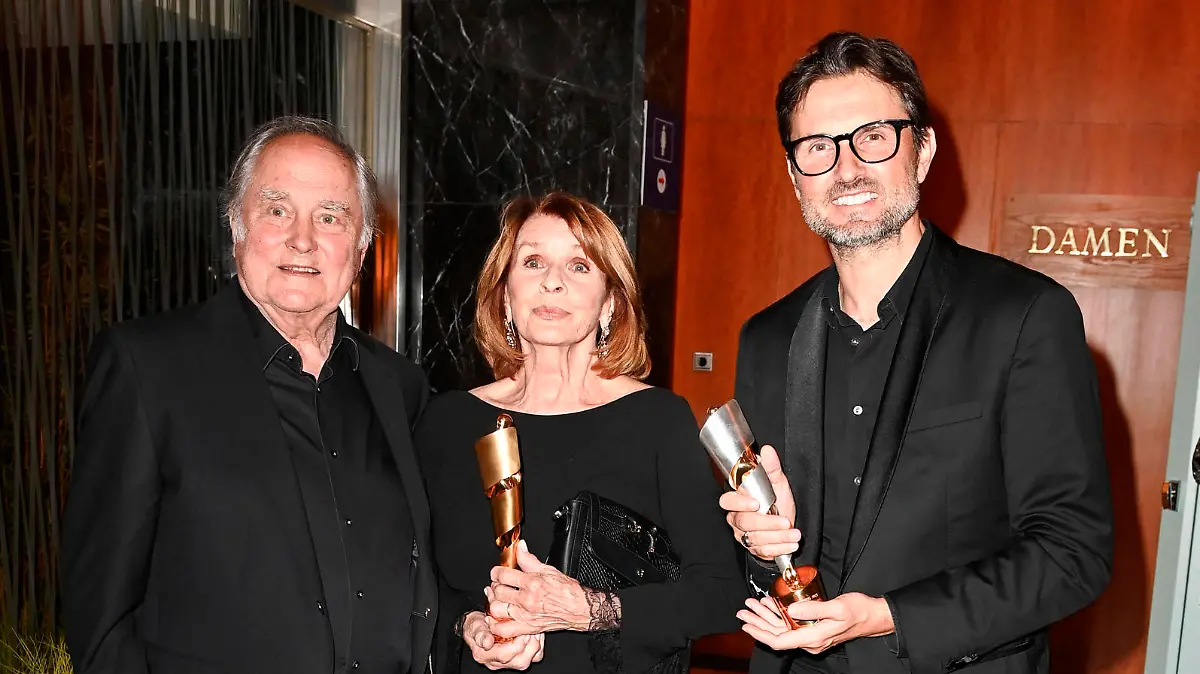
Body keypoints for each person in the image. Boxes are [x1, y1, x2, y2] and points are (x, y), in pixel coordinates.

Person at [719, 32, 1114, 674]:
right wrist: (763, 546)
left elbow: (1073, 554)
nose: (846, 169)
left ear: (922, 150)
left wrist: (886, 617)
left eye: (874, 136)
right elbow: (758, 566)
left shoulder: (1024, 316)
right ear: (794, 177)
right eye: (818, 148)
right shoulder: (766, 339)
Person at [61, 116, 436, 674]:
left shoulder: (399, 387)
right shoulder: (148, 368)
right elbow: (101, 619)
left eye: (330, 218)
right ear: (238, 226)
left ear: (359, 250)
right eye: (277, 210)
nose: (302, 239)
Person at [415, 192, 744, 674]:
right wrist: (470, 625)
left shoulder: (657, 420)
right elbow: (418, 583)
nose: (552, 282)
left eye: (578, 267)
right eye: (533, 262)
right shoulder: (445, 424)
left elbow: (720, 591)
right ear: (505, 295)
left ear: (609, 304)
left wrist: (590, 610)